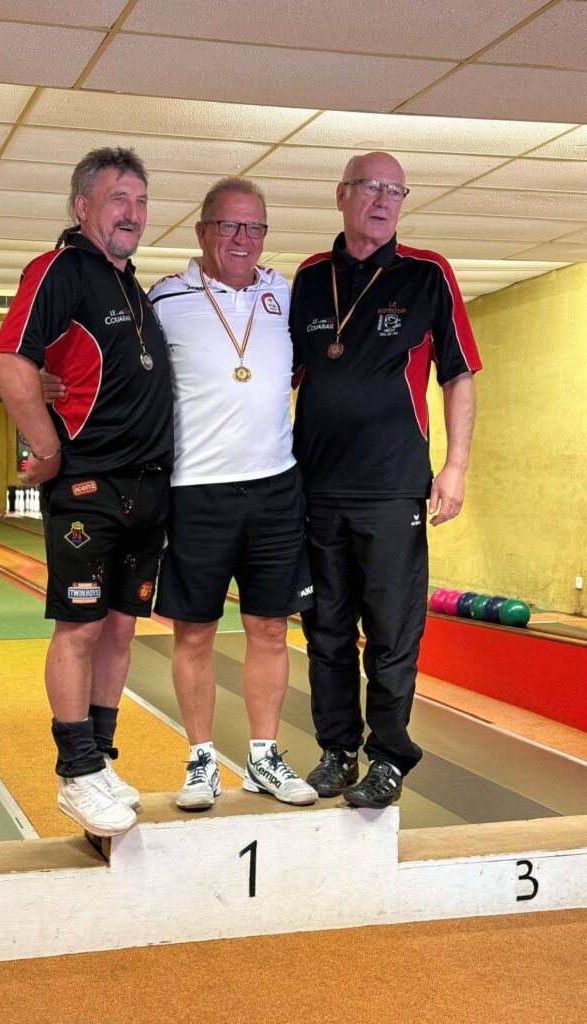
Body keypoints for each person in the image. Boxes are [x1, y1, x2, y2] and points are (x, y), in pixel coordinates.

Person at [0, 147, 173, 837]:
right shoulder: (59, 269)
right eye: (118, 198)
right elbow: (11, 357)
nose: (133, 213)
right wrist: (46, 448)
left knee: (121, 629)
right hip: (90, 484)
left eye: (141, 201)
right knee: (81, 628)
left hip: (147, 488)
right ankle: (75, 771)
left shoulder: (132, 286)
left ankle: (100, 759)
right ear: (82, 205)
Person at [290, 151, 482, 809]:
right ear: (341, 194)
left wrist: (455, 465)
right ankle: (337, 752)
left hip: (394, 488)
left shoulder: (428, 273)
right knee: (326, 633)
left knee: (393, 635)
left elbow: (458, 375)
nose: (382, 200)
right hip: (316, 489)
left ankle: (389, 758)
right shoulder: (309, 278)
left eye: (394, 191)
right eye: (370, 187)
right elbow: (274, 372)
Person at [149, 178, 316, 810]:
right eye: (229, 226)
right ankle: (200, 762)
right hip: (196, 490)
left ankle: (263, 758)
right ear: (202, 232)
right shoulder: (165, 299)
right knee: (194, 633)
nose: (243, 239)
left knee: (269, 628)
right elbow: (126, 373)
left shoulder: (284, 293)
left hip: (276, 488)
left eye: (255, 227)